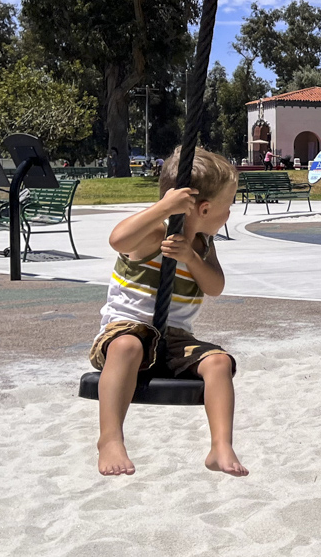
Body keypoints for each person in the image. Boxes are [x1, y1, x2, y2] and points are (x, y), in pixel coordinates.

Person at [90, 146, 246, 477]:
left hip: (175, 339)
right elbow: (118, 239)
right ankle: (110, 438)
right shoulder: (155, 234)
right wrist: (163, 207)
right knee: (128, 346)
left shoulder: (203, 244)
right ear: (204, 209)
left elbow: (215, 286)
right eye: (228, 206)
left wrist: (191, 258)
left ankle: (220, 445)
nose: (229, 214)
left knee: (219, 362)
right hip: (126, 328)